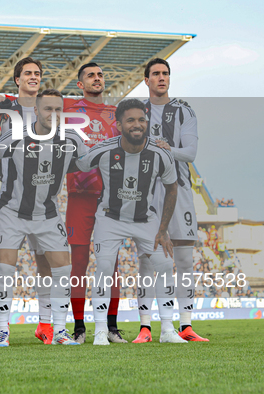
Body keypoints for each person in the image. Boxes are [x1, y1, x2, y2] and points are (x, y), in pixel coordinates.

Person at [75, 98, 186, 345]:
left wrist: (163, 229)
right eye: (131, 120)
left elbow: (172, 189)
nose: (137, 125)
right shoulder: (104, 149)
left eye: (142, 120)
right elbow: (79, 163)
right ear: (119, 125)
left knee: (165, 266)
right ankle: (101, 330)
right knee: (104, 267)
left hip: (145, 219)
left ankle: (167, 329)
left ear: (147, 122)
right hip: (110, 219)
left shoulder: (161, 154)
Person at [0, 90, 88, 347]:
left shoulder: (72, 139)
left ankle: (58, 330)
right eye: (48, 109)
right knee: (5, 268)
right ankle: (2, 331)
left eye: (58, 109)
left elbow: (90, 160)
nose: (53, 115)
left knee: (62, 269)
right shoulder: (16, 136)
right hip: (12, 211)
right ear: (37, 111)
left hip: (47, 213)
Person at [135, 58, 208, 342]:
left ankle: (186, 325)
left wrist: (164, 149)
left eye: (165, 73)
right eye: (156, 74)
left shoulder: (183, 110)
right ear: (146, 80)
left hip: (180, 190)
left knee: (185, 258)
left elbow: (190, 153)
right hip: (145, 192)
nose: (161, 77)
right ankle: (145, 327)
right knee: (146, 259)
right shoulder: (136, 112)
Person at [63, 62, 124, 344]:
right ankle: (79, 327)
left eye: (100, 74)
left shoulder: (116, 114)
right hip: (79, 196)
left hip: (111, 199)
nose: (97, 79)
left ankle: (111, 327)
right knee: (78, 263)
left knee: (111, 265)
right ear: (80, 84)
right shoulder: (69, 110)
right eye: (91, 75)